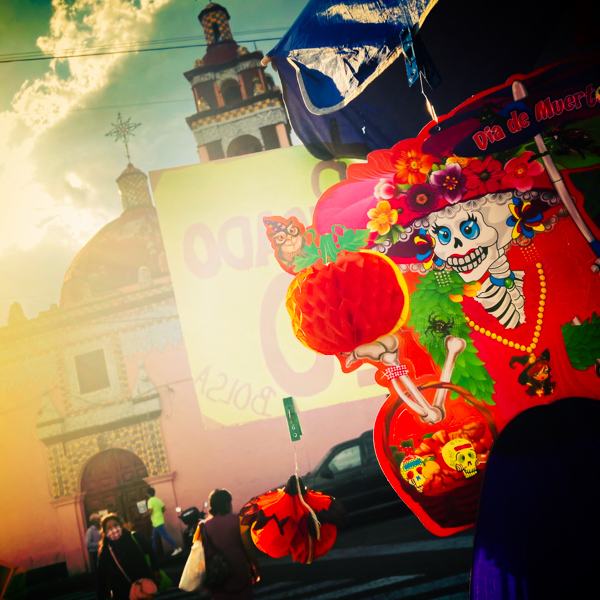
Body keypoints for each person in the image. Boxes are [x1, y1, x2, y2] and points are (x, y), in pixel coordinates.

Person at [195, 488, 261, 600]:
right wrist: (256, 566)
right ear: (227, 504)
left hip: (217, 573)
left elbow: (199, 553)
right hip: (239, 568)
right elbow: (248, 547)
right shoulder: (239, 520)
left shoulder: (203, 526)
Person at [96, 513, 160, 600]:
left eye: (115, 525)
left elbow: (150, 552)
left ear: (121, 525)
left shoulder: (134, 537)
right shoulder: (105, 552)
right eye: (109, 528)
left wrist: (156, 571)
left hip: (142, 587)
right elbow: (102, 575)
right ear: (105, 532)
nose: (113, 529)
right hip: (122, 593)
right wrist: (101, 595)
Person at [146, 487, 182, 556]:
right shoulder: (158, 500)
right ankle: (153, 553)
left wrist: (145, 514)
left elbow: (150, 511)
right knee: (154, 537)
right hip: (159, 520)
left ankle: (177, 548)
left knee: (165, 536)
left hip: (156, 522)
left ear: (148, 494)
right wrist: (158, 512)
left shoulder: (150, 501)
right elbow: (163, 509)